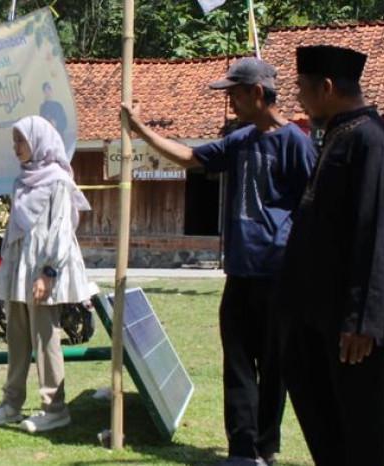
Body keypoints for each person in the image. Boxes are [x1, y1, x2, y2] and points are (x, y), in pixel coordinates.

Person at [122, 57, 317, 466]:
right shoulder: (239, 141)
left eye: (235, 93)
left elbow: (312, 209)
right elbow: (188, 157)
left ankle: (265, 447)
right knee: (238, 364)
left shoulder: (296, 143)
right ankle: (242, 450)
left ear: (258, 93)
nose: (230, 102)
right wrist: (140, 129)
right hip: (240, 273)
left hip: (278, 276)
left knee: (274, 367)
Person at [282, 45, 384, 466]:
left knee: (359, 434)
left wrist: (363, 322)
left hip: (351, 331)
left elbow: (381, 236)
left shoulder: (372, 141)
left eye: (301, 88)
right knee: (326, 429)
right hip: (316, 319)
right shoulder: (338, 135)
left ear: (327, 87)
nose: (298, 98)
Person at [0, 115, 91, 433]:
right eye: (14, 141)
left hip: (43, 269)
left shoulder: (58, 181)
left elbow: (61, 229)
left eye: (21, 141)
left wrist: (48, 273)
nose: (16, 147)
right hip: (18, 267)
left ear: (38, 141)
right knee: (16, 338)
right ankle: (11, 404)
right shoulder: (21, 181)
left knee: (45, 338)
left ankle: (54, 407)